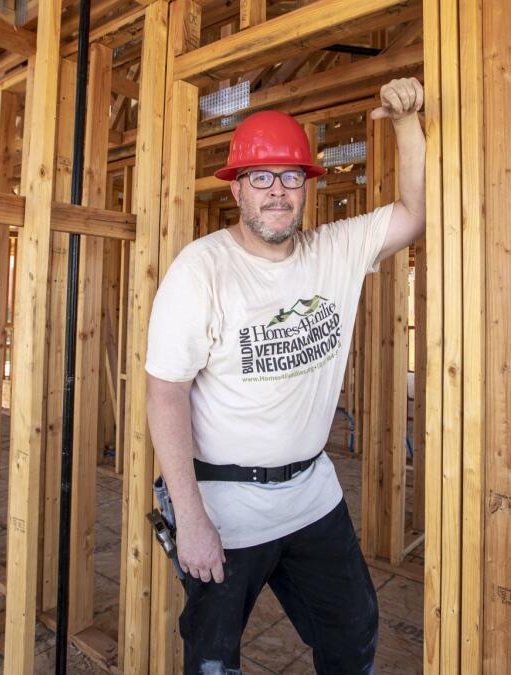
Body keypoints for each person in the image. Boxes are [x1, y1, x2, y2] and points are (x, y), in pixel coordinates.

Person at [144, 77, 426, 674]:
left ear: (308, 188)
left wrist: (406, 123)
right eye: (262, 178)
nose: (278, 192)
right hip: (223, 506)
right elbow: (165, 391)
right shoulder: (202, 271)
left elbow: (413, 213)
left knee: (353, 636)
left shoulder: (335, 251)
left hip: (311, 495)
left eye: (291, 177)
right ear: (239, 189)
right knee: (214, 661)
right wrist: (190, 520)